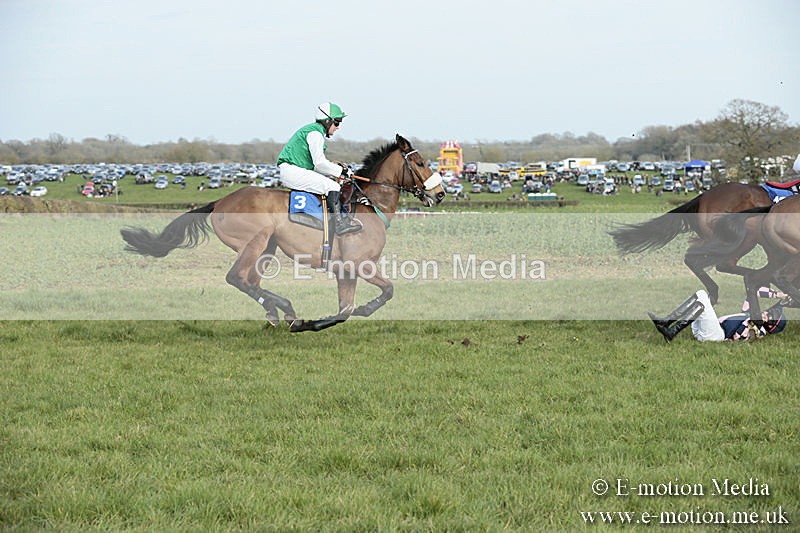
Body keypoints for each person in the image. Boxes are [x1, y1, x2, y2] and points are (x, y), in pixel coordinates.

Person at [277, 102, 361, 235]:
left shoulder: (314, 131)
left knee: (329, 183)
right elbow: (320, 164)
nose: (337, 127)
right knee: (333, 187)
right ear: (327, 121)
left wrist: (336, 171)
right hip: (293, 172)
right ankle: (339, 225)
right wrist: (342, 172)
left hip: (295, 170)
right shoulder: (315, 133)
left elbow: (315, 165)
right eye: (337, 123)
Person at [648, 288, 788, 342]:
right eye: (768, 312)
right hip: (704, 331)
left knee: (702, 300)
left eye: (768, 316)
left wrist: (749, 323)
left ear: (770, 325)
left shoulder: (760, 331)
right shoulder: (750, 313)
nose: (765, 313)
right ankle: (666, 323)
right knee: (701, 294)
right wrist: (777, 294)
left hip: (716, 335)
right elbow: (753, 291)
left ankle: (671, 331)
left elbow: (737, 338)